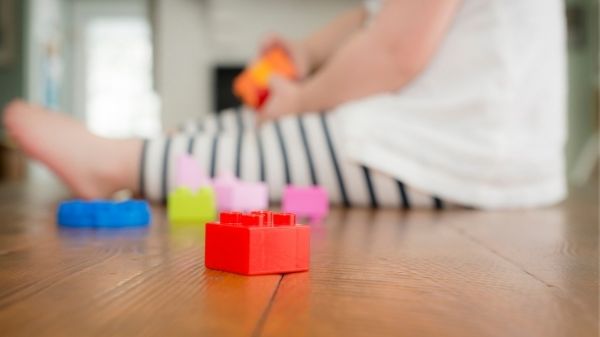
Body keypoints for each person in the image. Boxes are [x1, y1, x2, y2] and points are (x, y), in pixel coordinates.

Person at [3, 0, 567, 209]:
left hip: (460, 152)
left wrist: (303, 99)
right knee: (261, 126)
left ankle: (118, 162)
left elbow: (395, 52)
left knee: (317, 135)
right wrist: (306, 52)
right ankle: (162, 144)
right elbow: (372, 19)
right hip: (454, 134)